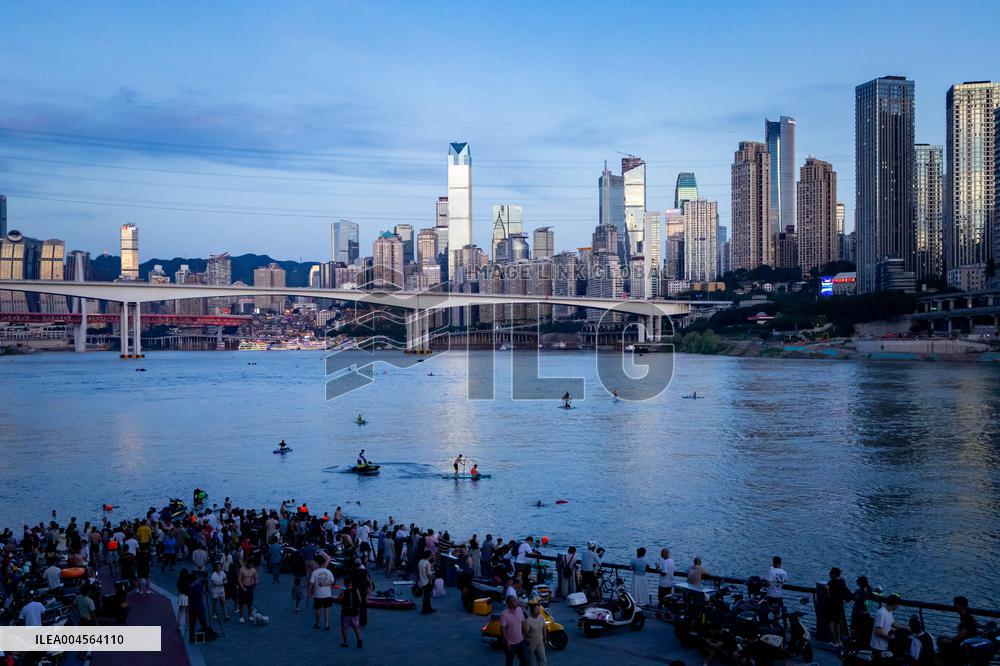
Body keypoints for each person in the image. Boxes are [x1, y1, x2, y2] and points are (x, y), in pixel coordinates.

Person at [937, 595, 978, 661]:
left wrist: (952, 639)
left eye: (954, 604)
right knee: (943, 638)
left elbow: (963, 634)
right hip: (966, 640)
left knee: (941, 640)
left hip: (966, 642)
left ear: (958, 605)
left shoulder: (965, 617)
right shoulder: (966, 615)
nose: (953, 606)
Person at [871, 593, 905, 661]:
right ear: (894, 604)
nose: (898, 606)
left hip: (885, 645)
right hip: (878, 647)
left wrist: (905, 627)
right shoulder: (881, 613)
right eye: (898, 604)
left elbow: (893, 623)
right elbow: (877, 631)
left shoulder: (889, 611)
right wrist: (890, 637)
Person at [826, 567, 851, 647]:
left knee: (832, 622)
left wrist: (827, 590)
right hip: (839, 604)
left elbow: (829, 595)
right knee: (838, 622)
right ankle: (839, 640)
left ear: (833, 574)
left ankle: (834, 641)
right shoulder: (842, 582)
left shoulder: (832, 583)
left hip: (832, 604)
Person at [500, 595, 528, 666]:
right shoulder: (504, 614)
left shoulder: (519, 609)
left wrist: (526, 634)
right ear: (509, 603)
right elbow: (502, 630)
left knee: (524, 660)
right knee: (509, 663)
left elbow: (523, 622)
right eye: (514, 600)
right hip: (510, 644)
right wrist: (507, 643)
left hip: (521, 642)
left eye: (516, 600)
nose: (516, 602)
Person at [309, 555, 334, 630]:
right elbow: (332, 582)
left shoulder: (315, 572)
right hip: (327, 594)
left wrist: (309, 592)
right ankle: (327, 625)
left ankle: (317, 624)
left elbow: (311, 583)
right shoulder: (328, 572)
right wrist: (325, 584)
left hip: (318, 595)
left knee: (318, 610)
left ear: (317, 564)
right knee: (327, 610)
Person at [340, 576, 363, 648]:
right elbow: (360, 600)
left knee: (344, 629)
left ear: (345, 584)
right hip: (355, 613)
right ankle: (359, 640)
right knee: (356, 628)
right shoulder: (356, 590)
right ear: (351, 583)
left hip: (346, 613)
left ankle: (345, 642)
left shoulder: (343, 592)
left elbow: (339, 599)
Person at [523, 600, 548, 666]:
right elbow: (525, 634)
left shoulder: (541, 618)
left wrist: (545, 639)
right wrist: (528, 640)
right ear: (532, 611)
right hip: (531, 645)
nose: (538, 611)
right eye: (537, 609)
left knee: (543, 659)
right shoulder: (528, 621)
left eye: (538, 609)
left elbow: (544, 628)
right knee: (532, 662)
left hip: (540, 643)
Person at [852, 576, 875, 641]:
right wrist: (868, 610)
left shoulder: (861, 591)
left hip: (859, 612)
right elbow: (870, 601)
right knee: (862, 627)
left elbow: (855, 597)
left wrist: (866, 610)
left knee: (858, 627)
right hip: (864, 612)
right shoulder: (868, 590)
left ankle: (858, 640)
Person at [766, 555, 787, 624]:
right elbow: (784, 582)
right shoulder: (784, 573)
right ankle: (776, 624)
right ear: (780, 563)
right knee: (777, 612)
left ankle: (767, 624)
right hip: (779, 596)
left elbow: (768, 583)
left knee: (767, 610)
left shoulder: (771, 571)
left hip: (771, 595)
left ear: (773, 563)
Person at [237, 558, 258, 624]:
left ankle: (250, 615)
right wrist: (243, 588)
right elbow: (239, 580)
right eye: (250, 564)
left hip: (250, 587)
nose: (251, 566)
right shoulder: (242, 569)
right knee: (242, 603)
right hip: (243, 586)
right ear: (247, 564)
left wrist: (254, 586)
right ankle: (241, 617)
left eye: (252, 565)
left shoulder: (253, 570)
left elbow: (256, 579)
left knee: (250, 602)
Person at [656, 547, 675, 614]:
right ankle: (668, 613)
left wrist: (658, 569)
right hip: (670, 583)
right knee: (668, 599)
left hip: (663, 584)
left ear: (664, 554)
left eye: (661, 554)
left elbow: (664, 573)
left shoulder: (665, 562)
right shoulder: (672, 561)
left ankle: (658, 613)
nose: (661, 555)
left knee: (661, 599)